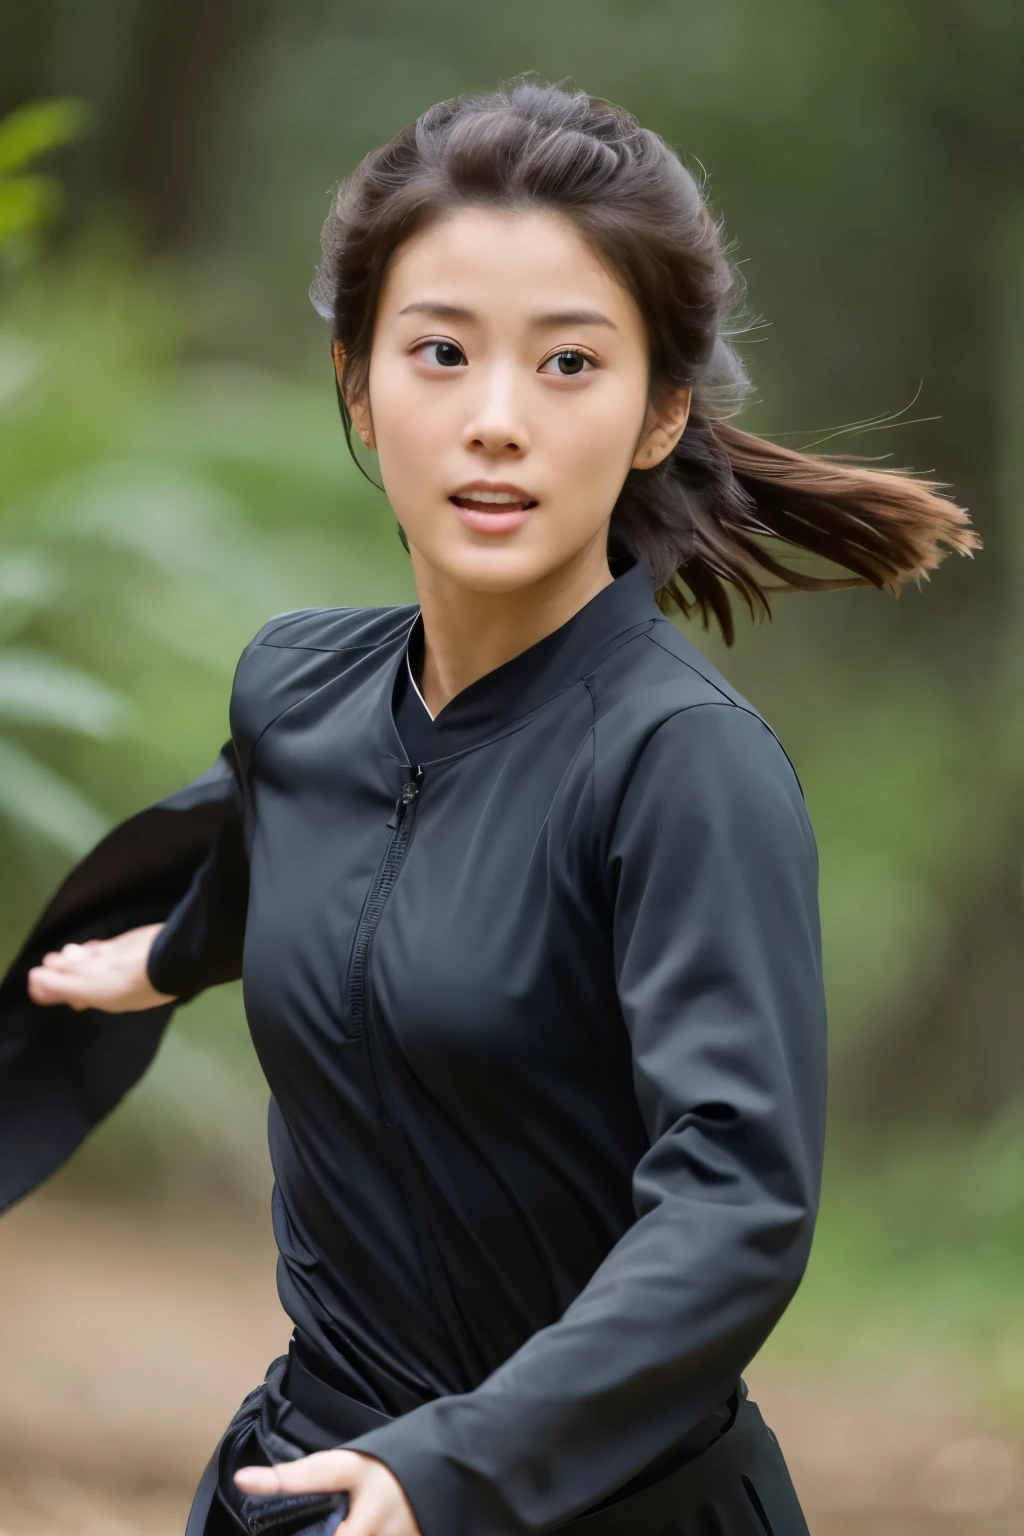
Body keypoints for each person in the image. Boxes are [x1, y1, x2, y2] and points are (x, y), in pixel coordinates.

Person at [0, 80, 978, 1536]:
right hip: (307, 1485)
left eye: (570, 364)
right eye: (441, 352)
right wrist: (175, 950)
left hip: (589, 1503)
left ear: (659, 415)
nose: (498, 421)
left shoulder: (684, 769)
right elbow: (297, 835)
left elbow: (736, 1207)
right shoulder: (303, 689)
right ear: (356, 384)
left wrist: (452, 1462)